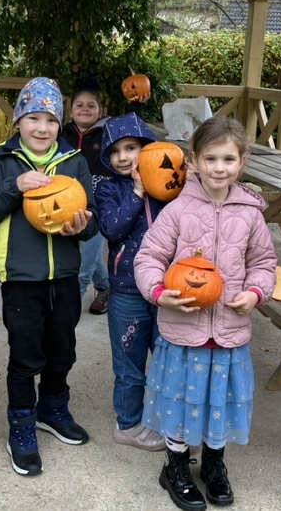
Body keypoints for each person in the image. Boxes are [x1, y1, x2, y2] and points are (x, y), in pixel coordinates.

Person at [135, 116, 277, 511]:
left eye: (228, 159)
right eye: (211, 158)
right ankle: (176, 465)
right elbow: (149, 257)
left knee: (217, 400)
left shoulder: (250, 213)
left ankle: (214, 464)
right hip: (184, 329)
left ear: (242, 161)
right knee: (181, 400)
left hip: (229, 331)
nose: (219, 167)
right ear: (194, 161)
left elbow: (264, 262)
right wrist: (159, 292)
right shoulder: (178, 210)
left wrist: (254, 293)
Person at [0, 77, 98, 477]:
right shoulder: (0, 160)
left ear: (58, 123)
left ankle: (53, 407)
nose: (42, 127)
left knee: (63, 348)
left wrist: (81, 226)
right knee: (26, 353)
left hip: (63, 274)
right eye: (33, 118)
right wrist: (16, 186)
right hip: (20, 276)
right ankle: (22, 421)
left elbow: (92, 220)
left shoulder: (73, 160)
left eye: (49, 119)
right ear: (18, 121)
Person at [95, 113, 166, 451]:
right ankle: (128, 423)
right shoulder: (109, 188)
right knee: (129, 362)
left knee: (167, 359)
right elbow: (112, 228)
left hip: (166, 288)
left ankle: (167, 421)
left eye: (132, 148)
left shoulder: (169, 184)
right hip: (126, 289)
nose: (123, 157)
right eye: (116, 151)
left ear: (147, 149)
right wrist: (137, 192)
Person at [62, 84, 113, 314]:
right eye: (79, 105)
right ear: (71, 110)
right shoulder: (62, 135)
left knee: (82, 267)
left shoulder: (108, 135)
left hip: (98, 207)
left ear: (100, 111)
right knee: (90, 257)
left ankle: (65, 318)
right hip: (67, 204)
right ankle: (105, 286)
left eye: (91, 105)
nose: (84, 109)